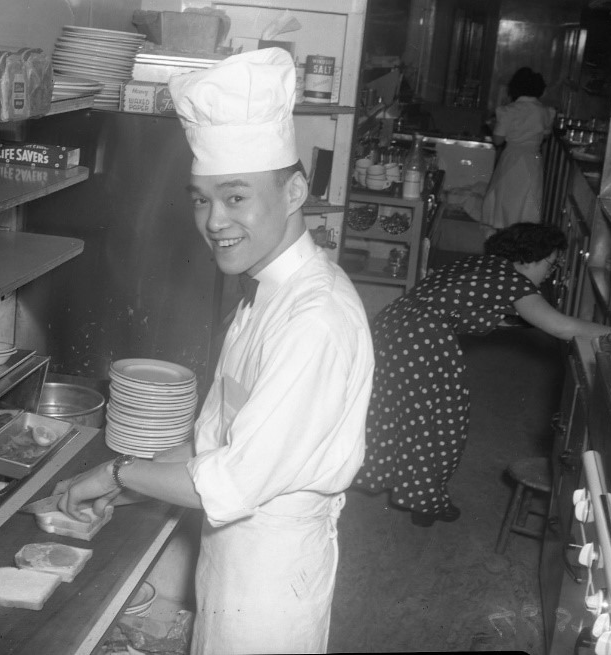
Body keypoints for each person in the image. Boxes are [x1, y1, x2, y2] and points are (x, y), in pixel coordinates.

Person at [53, 48, 374, 654]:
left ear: (296, 189)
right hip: (234, 557)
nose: (214, 221)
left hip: (273, 577)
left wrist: (116, 471)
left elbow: (226, 483)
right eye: (200, 198)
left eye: (235, 197)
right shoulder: (262, 292)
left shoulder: (316, 320)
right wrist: (121, 490)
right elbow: (212, 438)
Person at [354, 222, 611, 527]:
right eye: (551, 264)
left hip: (391, 328)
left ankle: (385, 478)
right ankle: (424, 503)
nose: (551, 273)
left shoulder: (482, 264)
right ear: (529, 258)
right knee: (440, 421)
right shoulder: (513, 281)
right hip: (421, 341)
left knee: (395, 413)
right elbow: (561, 327)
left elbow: (469, 306)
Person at [481, 67, 556, 233]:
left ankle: (501, 242)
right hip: (533, 160)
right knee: (528, 203)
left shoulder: (508, 111)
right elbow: (545, 136)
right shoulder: (545, 112)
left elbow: (498, 140)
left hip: (511, 158)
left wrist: (493, 127)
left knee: (505, 202)